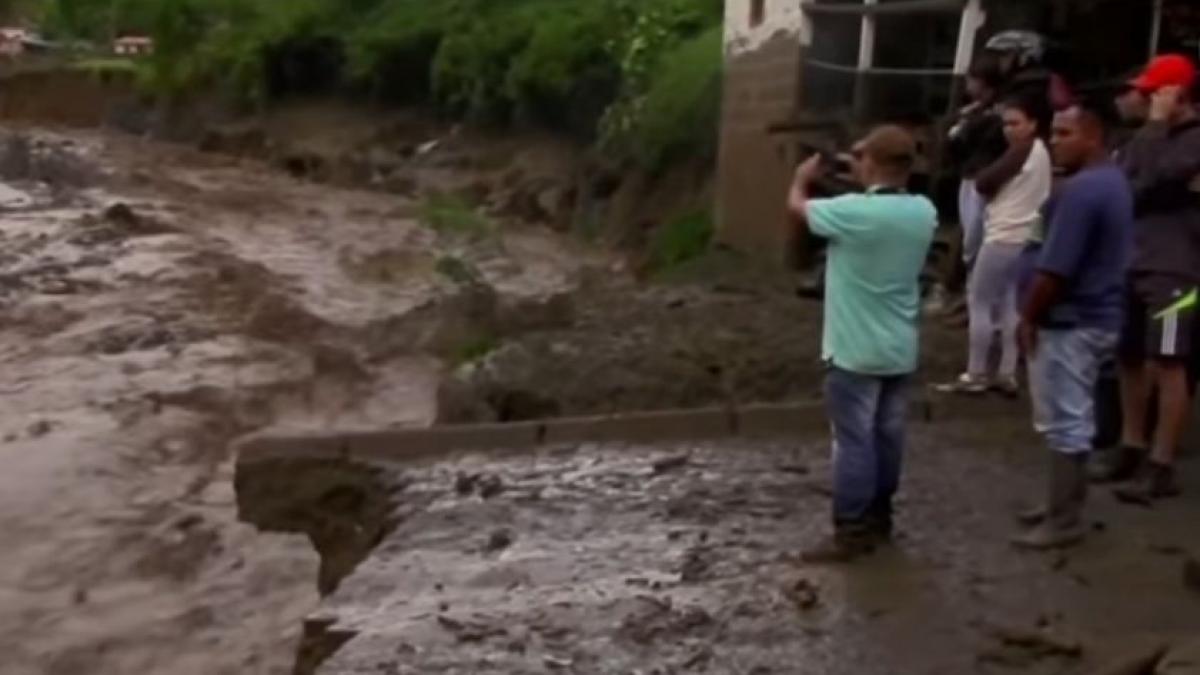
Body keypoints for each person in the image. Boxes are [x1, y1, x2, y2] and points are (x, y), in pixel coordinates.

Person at [786, 126, 937, 562]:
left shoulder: (851, 211)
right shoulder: (923, 212)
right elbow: (882, 197)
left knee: (853, 441)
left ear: (870, 161)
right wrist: (865, 170)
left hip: (853, 350)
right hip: (898, 348)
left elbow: (798, 209)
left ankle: (850, 530)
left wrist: (801, 178)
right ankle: (879, 519)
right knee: (887, 437)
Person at [1013, 101, 1134, 549]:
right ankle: (1061, 505)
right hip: (1090, 315)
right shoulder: (1107, 182)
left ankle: (1065, 518)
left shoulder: (1084, 192)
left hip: (1072, 319)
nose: (1053, 142)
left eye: (1065, 134)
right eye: (1053, 133)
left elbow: (1056, 268)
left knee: (1066, 418)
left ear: (1092, 136)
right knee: (1071, 414)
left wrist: (1028, 315)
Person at [1100, 54, 1200, 501]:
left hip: (1178, 263)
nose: (1142, 100)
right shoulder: (1145, 137)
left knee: (1171, 362)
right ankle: (1132, 443)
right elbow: (1126, 184)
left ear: (1175, 94)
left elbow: (1155, 178)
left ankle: (1161, 461)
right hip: (1135, 257)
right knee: (1130, 356)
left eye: (1151, 92)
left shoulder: (1193, 139)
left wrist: (1157, 128)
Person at [941, 97, 1052, 396]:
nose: (1009, 130)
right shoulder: (1043, 154)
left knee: (979, 299)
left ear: (1033, 124)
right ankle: (1006, 372)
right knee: (1008, 303)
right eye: (1006, 124)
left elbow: (983, 182)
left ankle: (976, 371)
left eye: (1016, 123)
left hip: (1004, 234)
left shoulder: (1023, 150)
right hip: (1028, 236)